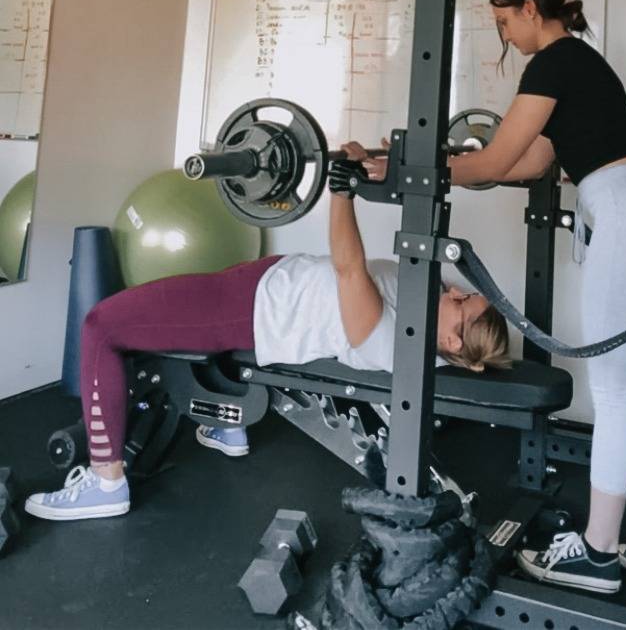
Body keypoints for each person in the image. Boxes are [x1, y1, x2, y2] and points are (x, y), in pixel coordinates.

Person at [365, 0, 626, 594]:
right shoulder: (580, 63)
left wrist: (409, 166)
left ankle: (597, 555)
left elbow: (495, 159)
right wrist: (430, 162)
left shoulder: (552, 61)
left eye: (504, 22)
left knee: (612, 393)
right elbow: (529, 163)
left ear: (530, 9)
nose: (505, 37)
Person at [24, 144, 510, 522]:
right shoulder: (427, 306)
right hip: (262, 285)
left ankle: (106, 483)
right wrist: (371, 162)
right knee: (163, 316)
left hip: (243, 310)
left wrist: (341, 192)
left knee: (103, 326)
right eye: (465, 293)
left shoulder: (391, 343)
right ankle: (226, 423)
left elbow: (348, 268)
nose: (456, 291)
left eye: (462, 304)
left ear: (452, 342)